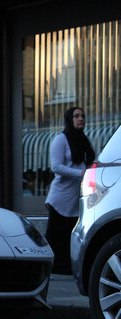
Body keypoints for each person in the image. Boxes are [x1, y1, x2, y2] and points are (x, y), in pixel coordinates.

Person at [45, 107, 94, 274]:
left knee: (70, 237)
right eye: (76, 116)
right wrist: (81, 174)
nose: (81, 119)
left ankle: (66, 268)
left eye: (83, 116)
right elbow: (56, 167)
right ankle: (51, 269)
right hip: (60, 198)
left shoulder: (84, 140)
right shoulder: (61, 139)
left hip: (75, 199)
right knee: (56, 237)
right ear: (69, 119)